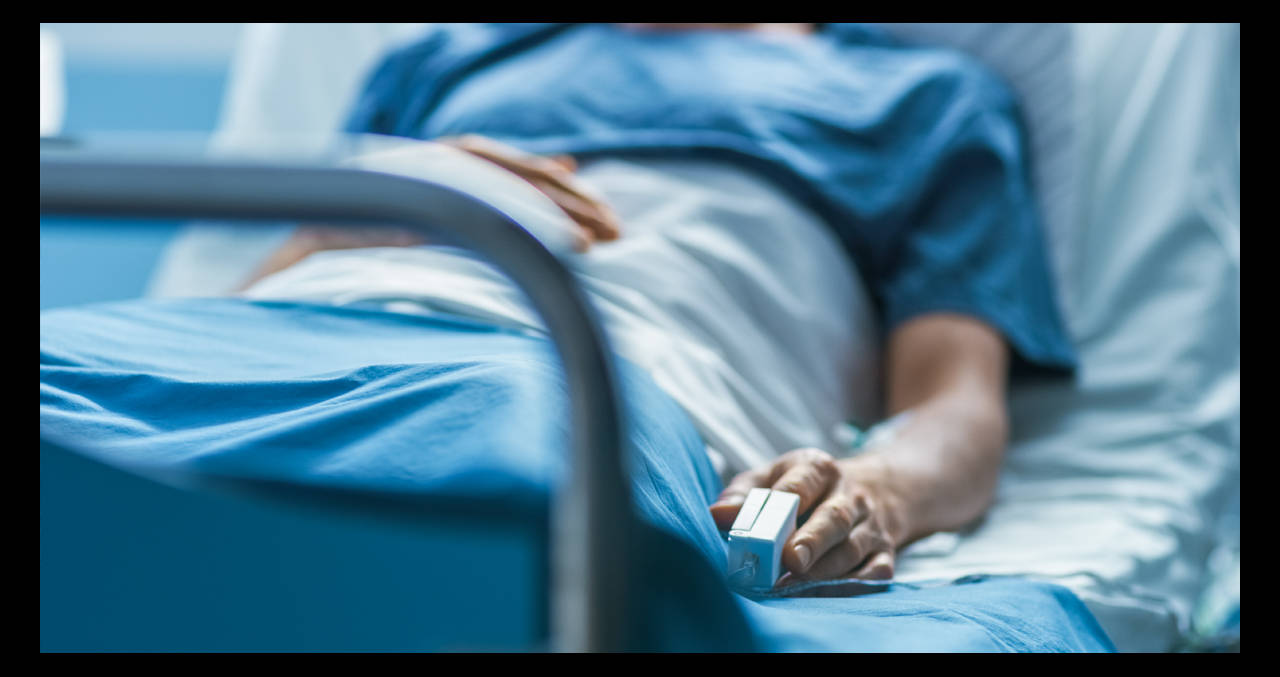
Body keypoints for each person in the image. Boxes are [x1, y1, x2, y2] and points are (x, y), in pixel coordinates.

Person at [239, 22, 1076, 587]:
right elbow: (238, 306)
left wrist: (874, 488)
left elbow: (953, 403)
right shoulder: (444, 60)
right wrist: (358, 212)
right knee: (115, 408)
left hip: (583, 373)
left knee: (451, 507)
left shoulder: (924, 98)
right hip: (279, 341)